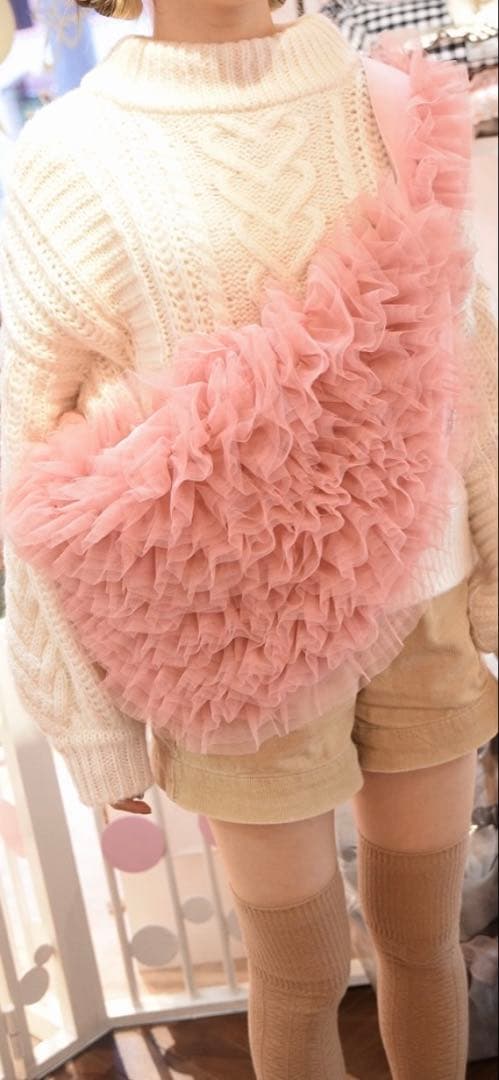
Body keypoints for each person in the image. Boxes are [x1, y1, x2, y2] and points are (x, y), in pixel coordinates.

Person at [0, 2, 497, 1078]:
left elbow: (464, 351)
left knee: (424, 937)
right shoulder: (70, 156)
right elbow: (26, 449)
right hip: (232, 648)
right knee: (298, 968)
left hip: (425, 604)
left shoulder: (382, 100)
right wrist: (90, 724)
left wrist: (495, 572)